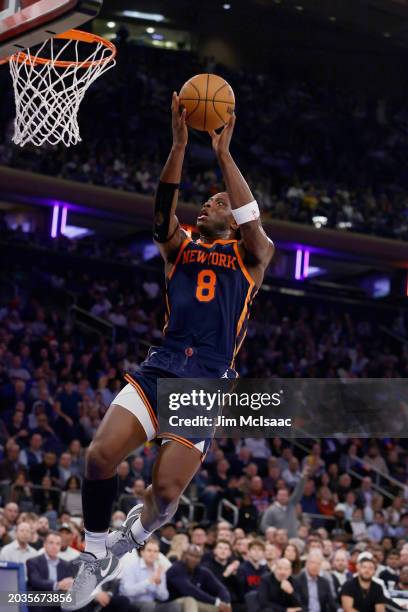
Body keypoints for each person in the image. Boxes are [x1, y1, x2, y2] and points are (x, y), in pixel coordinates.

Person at [67, 92, 274, 610]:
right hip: (160, 367)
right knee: (99, 457)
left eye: (218, 201)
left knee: (164, 494)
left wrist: (225, 155)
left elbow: (250, 217)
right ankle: (94, 556)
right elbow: (162, 209)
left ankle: (131, 537)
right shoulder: (179, 247)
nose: (209, 202)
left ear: (235, 217)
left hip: (205, 382)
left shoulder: (253, 255)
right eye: (207, 199)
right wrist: (180, 145)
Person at [119, 537, 178, 611]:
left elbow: (164, 597)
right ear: (142, 552)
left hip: (152, 605)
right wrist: (148, 582)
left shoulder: (159, 570)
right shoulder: (131, 567)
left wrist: (158, 583)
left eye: (155, 551)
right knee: (149, 605)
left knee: (174, 606)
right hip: (133, 604)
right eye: (149, 550)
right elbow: (126, 592)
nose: (152, 554)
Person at [166, 545, 231, 611]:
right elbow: (189, 590)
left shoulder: (202, 571)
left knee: (219, 608)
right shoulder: (176, 569)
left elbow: (221, 589)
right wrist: (216, 602)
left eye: (198, 557)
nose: (194, 559)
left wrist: (226, 602)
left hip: (192, 603)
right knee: (189, 600)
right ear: (184, 555)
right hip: (169, 605)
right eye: (191, 555)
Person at [27, 532, 74, 612]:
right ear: (44, 545)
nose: (54, 546)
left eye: (57, 544)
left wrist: (70, 584)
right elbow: (36, 582)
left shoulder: (66, 564)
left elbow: (68, 584)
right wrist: (57, 585)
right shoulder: (33, 562)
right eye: (51, 543)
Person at [261, 466, 310, 537]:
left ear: (288, 497)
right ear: (276, 497)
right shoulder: (271, 510)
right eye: (280, 495)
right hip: (279, 540)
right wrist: (272, 530)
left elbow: (298, 491)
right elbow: (263, 526)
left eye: (285, 495)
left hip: (293, 539)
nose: (282, 497)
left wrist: (303, 477)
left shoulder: (291, 504)